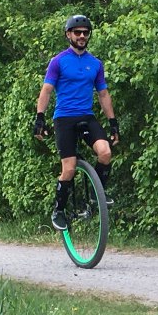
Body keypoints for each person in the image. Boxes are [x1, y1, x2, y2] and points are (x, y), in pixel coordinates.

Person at [33, 14, 119, 231]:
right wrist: (40, 118)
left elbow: (103, 94)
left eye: (85, 33)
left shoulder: (95, 63)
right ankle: (59, 210)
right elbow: (46, 91)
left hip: (86, 116)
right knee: (69, 168)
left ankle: (95, 195)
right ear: (68, 35)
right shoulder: (58, 61)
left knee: (105, 152)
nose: (82, 36)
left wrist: (113, 123)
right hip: (64, 118)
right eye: (77, 32)